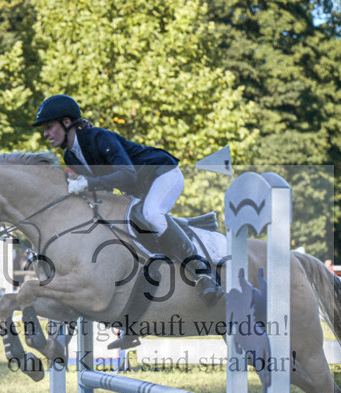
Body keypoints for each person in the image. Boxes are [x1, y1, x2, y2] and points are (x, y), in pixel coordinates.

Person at [33, 94, 222, 307]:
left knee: (150, 214)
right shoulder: (71, 156)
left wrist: (88, 183)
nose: (45, 134)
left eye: (49, 127)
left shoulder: (99, 138)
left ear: (67, 123)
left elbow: (127, 174)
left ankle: (202, 274)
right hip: (139, 188)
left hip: (163, 173)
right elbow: (104, 186)